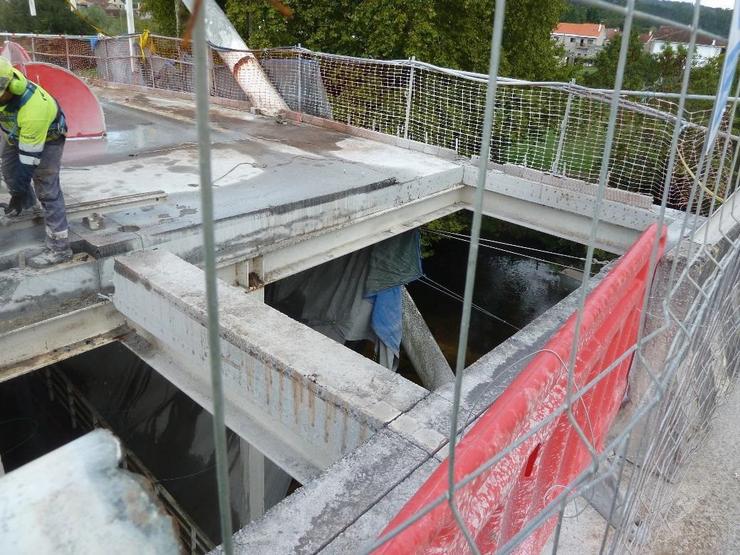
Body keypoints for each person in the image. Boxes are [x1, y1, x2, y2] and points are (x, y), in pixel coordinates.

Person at [0, 56, 71, 268]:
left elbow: (28, 163)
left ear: (9, 87)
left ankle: (60, 248)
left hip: (47, 137)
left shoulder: (33, 110)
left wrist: (18, 192)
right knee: (9, 172)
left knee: (46, 187)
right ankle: (28, 206)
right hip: (15, 132)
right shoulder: (4, 91)